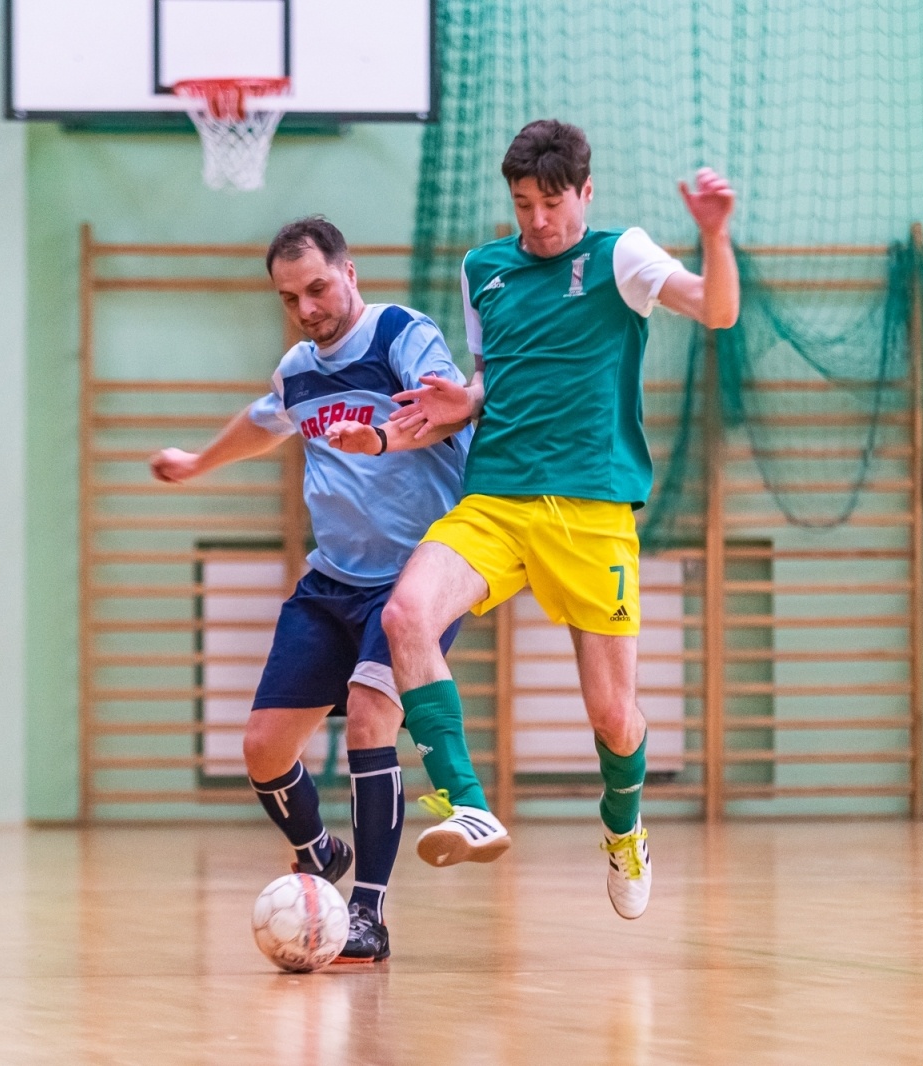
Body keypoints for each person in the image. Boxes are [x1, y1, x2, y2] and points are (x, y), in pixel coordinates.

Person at [359, 119, 739, 920]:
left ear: (585, 193)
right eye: (524, 204)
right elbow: (493, 374)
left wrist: (714, 237)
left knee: (614, 717)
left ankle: (624, 827)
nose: (537, 221)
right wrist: (465, 400)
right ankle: (469, 803)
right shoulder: (484, 269)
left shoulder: (620, 256)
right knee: (405, 615)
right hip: (496, 496)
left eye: (553, 203)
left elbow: (717, 311)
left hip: (592, 509)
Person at [149, 216, 508, 963]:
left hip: (413, 578)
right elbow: (265, 421)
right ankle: (319, 852)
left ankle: (368, 914)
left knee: (373, 718)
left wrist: (380, 437)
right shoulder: (298, 370)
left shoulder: (399, 335)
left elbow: (439, 413)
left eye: (316, 288)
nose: (307, 308)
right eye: (290, 298)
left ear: (350, 273)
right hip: (331, 581)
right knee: (263, 748)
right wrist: (196, 463)